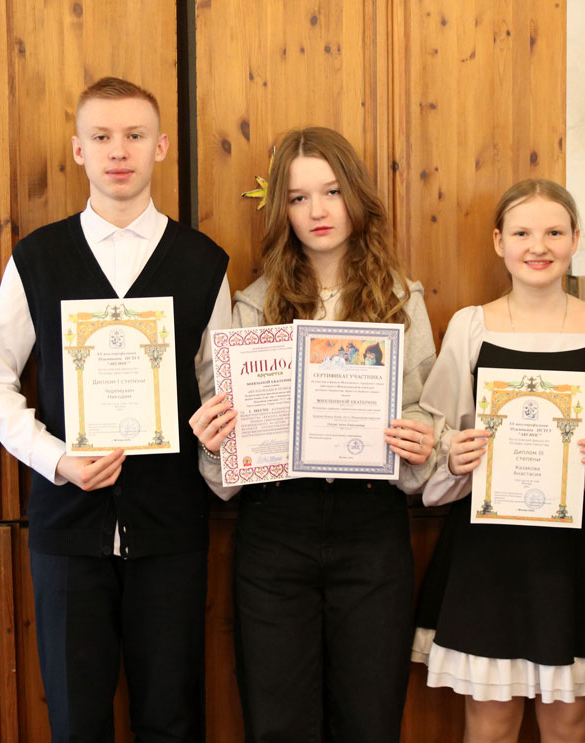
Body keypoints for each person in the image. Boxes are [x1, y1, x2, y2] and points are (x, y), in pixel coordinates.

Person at [0, 77, 231, 741]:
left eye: (135, 135)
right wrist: (56, 459)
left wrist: (218, 432)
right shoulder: (37, 258)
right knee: (77, 721)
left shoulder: (203, 262)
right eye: (103, 136)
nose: (119, 150)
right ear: (79, 150)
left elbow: (222, 392)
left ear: (160, 147)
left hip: (171, 527)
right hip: (67, 529)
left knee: (171, 719)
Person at [189, 126, 437, 742]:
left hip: (372, 527)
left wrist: (422, 440)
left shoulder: (402, 299)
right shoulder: (250, 307)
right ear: (282, 210)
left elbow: (424, 417)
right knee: (278, 723)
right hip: (276, 529)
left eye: (331, 191)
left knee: (370, 720)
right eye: (299, 198)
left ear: (356, 196)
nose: (317, 211)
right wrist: (215, 443)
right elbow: (224, 468)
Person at [411, 179, 585, 743]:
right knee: (490, 722)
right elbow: (437, 431)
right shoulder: (471, 325)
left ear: (575, 240)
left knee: (569, 722)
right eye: (522, 233)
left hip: (580, 552)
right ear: (499, 242)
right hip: (490, 552)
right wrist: (453, 455)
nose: (538, 246)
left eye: (554, 232)